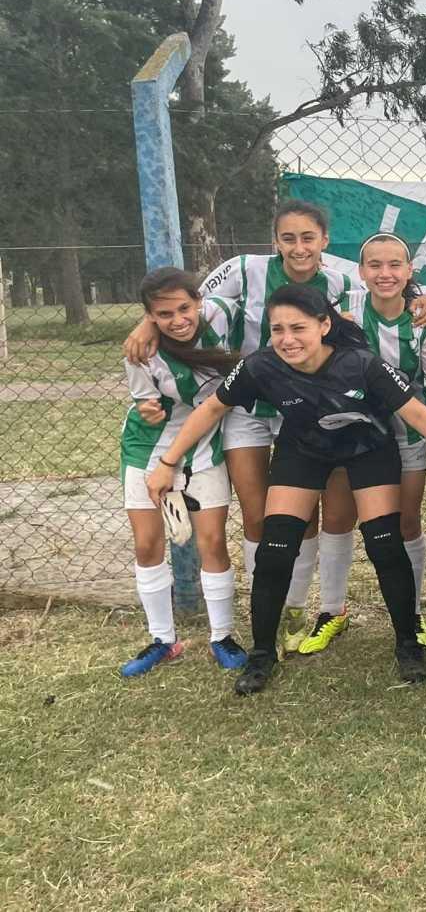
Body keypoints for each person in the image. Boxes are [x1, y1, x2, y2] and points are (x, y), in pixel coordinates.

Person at [123, 199, 426, 651]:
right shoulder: (243, 269)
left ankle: (323, 608)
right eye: (288, 238)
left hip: (310, 411)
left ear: (324, 241)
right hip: (251, 408)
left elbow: (390, 288)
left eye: (308, 238)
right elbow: (183, 302)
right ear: (275, 241)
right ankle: (281, 611)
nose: (299, 247)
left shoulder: (341, 282)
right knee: (263, 518)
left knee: (325, 515)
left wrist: (422, 299)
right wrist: (146, 324)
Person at [145, 285, 426, 696]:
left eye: (298, 328)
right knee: (275, 549)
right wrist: (167, 463)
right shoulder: (261, 365)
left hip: (368, 448)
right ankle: (262, 654)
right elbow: (213, 407)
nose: (287, 339)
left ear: (324, 325)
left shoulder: (361, 364)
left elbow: (417, 414)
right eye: (277, 329)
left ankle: (407, 644)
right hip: (304, 448)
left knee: (384, 544)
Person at [298, 234, 426, 656]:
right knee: (338, 518)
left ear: (409, 271)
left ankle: (412, 612)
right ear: (360, 272)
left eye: (395, 265)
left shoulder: (423, 318)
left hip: (406, 433)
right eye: (375, 265)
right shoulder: (344, 313)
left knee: (406, 521)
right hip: (349, 434)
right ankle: (332, 610)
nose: (385, 273)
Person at [119, 268, 247, 677]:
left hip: (203, 447)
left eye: (184, 308)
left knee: (213, 542)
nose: (177, 320)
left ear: (199, 302)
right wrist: (147, 408)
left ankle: (222, 636)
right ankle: (162, 639)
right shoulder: (141, 350)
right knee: (147, 545)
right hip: (148, 449)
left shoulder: (221, 314)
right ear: (149, 316)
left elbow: (250, 292)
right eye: (163, 314)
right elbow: (144, 402)